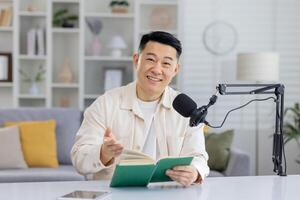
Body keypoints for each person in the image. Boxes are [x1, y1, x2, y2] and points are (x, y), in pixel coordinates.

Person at [71, 31, 209, 186]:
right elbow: (79, 159)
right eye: (151, 59)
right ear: (136, 60)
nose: (157, 70)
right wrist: (103, 153)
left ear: (175, 70)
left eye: (166, 63)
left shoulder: (186, 108)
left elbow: (199, 156)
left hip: (169, 194)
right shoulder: (105, 104)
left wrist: (195, 171)